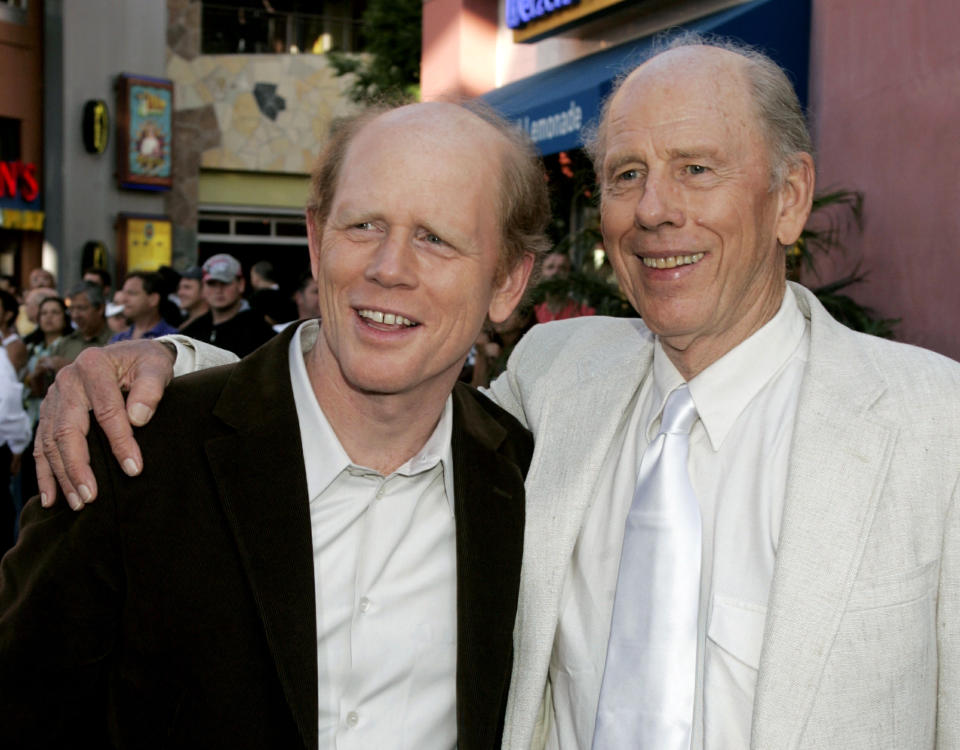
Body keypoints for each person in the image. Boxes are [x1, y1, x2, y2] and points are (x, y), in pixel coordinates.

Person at [25, 38, 960, 749]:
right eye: (626, 175)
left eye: (698, 169)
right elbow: (366, 382)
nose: (655, 209)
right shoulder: (561, 382)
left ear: (791, 198)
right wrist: (154, 364)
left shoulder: (932, 428)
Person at [0, 100, 546, 749]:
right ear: (316, 241)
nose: (389, 267)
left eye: (436, 237)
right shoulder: (131, 452)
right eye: (364, 224)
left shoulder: (520, 474)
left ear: (508, 282)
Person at [180, 253, 276, 357]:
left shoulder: (260, 331)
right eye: (212, 283)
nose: (218, 290)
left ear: (241, 284)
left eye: (225, 283)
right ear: (203, 287)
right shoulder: (192, 331)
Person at [110, 271, 179, 342]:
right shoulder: (118, 338)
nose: (123, 299)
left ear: (153, 299)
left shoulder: (171, 339)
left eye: (131, 293)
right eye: (124, 293)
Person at [532, 251, 595, 323]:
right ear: (541, 275)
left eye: (562, 268)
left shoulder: (586, 314)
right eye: (550, 267)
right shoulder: (532, 315)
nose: (556, 272)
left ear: (570, 277)